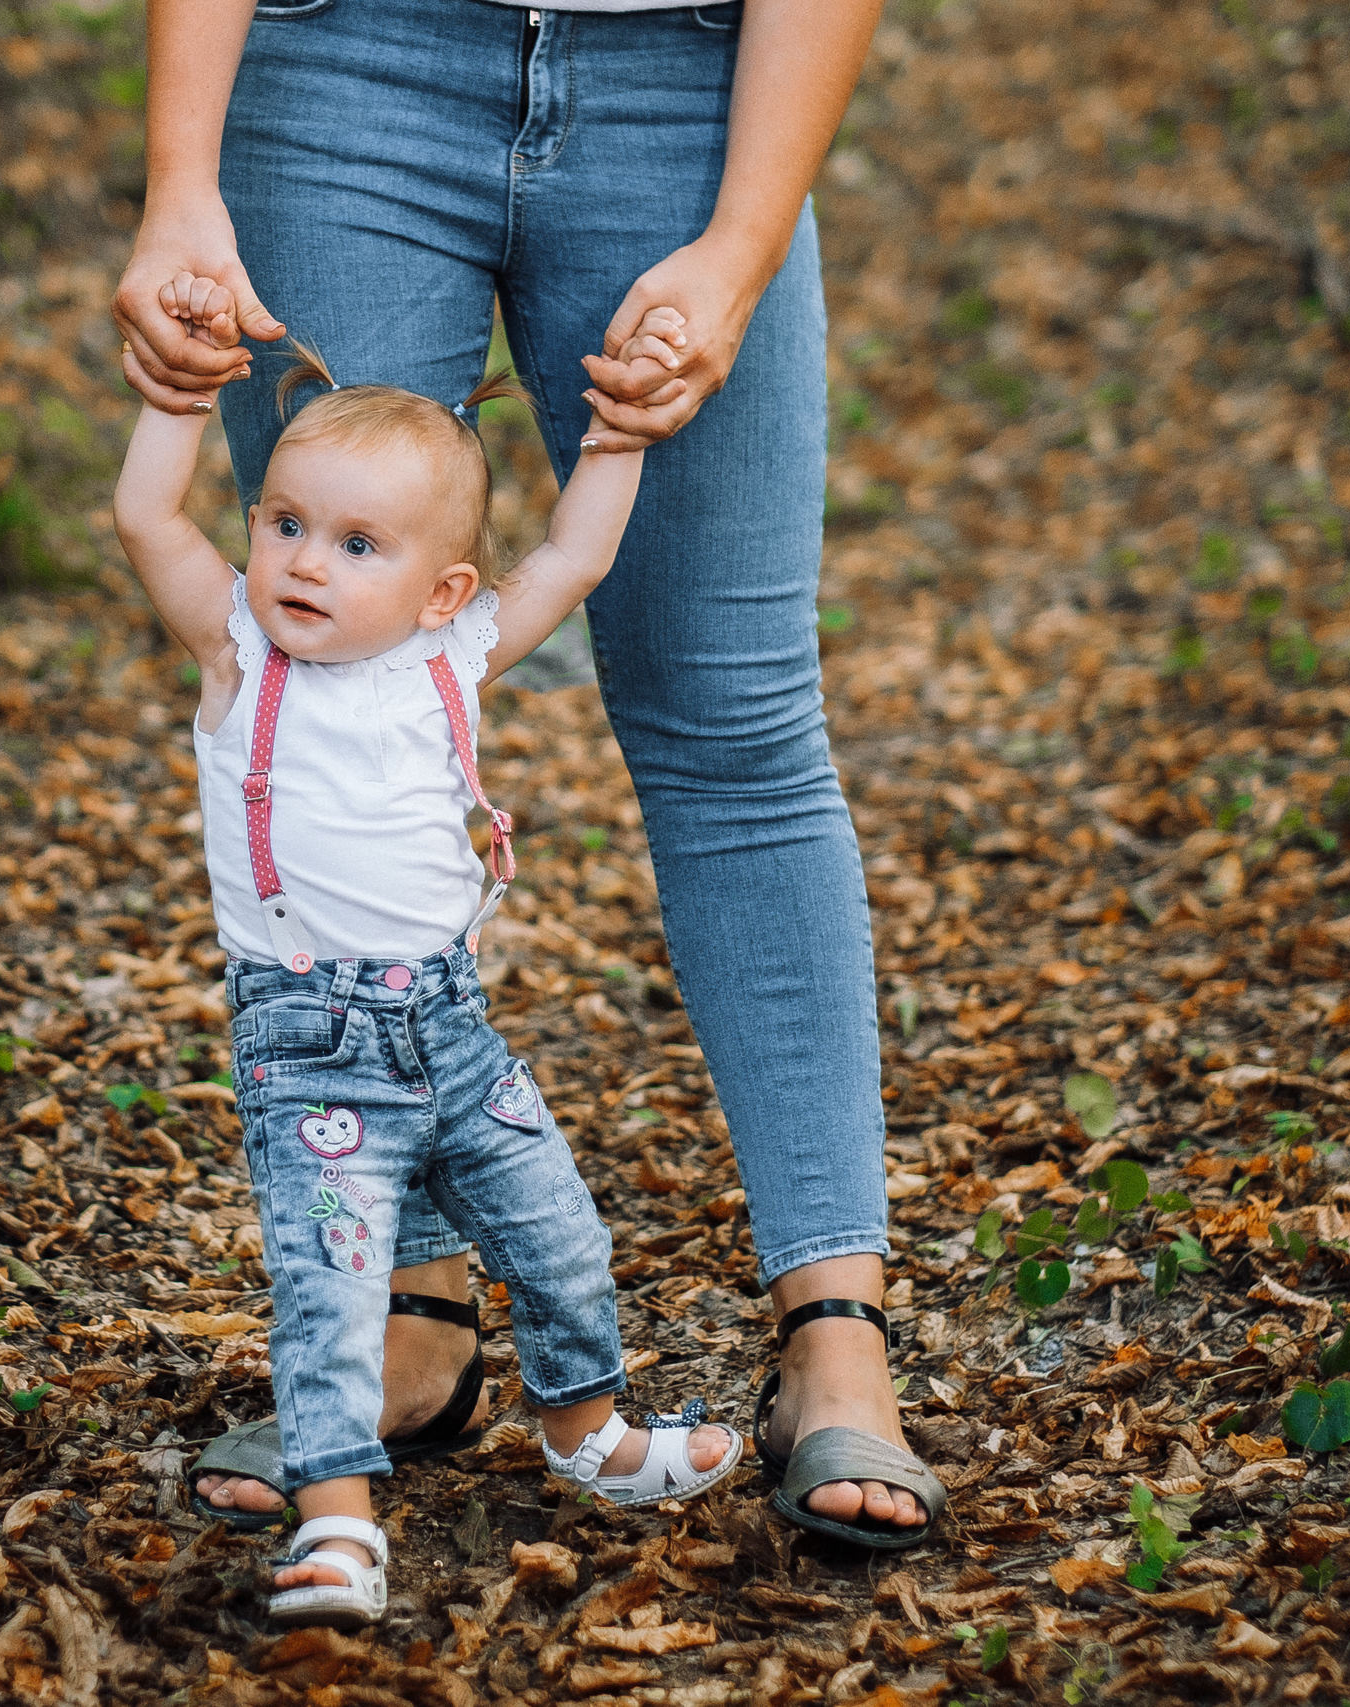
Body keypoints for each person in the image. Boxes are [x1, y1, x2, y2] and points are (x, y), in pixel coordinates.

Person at [116, 0, 943, 1550]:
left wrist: (744, 242)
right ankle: (407, 1315)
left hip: (694, 92)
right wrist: (181, 177)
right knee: (342, 653)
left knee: (735, 723)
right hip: (341, 70)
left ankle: (838, 1330)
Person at [112, 285, 739, 1629]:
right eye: (283, 524)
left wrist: (615, 439)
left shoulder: (453, 659)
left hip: (452, 1031)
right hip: (313, 1043)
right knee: (332, 1284)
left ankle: (586, 1429)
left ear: (443, 590)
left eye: (355, 543)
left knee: (558, 1235)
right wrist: (173, 406)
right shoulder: (236, 656)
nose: (302, 563)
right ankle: (337, 1521)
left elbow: (569, 559)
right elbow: (146, 520)